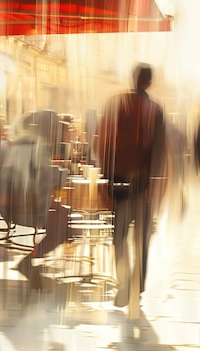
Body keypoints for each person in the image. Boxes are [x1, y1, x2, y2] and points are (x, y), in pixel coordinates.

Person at [95, 63, 166, 309]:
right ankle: (138, 285)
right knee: (142, 238)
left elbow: (103, 144)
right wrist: (153, 186)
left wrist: (105, 180)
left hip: (120, 183)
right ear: (149, 82)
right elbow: (159, 152)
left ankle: (124, 283)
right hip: (142, 186)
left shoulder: (115, 104)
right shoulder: (155, 109)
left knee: (119, 237)